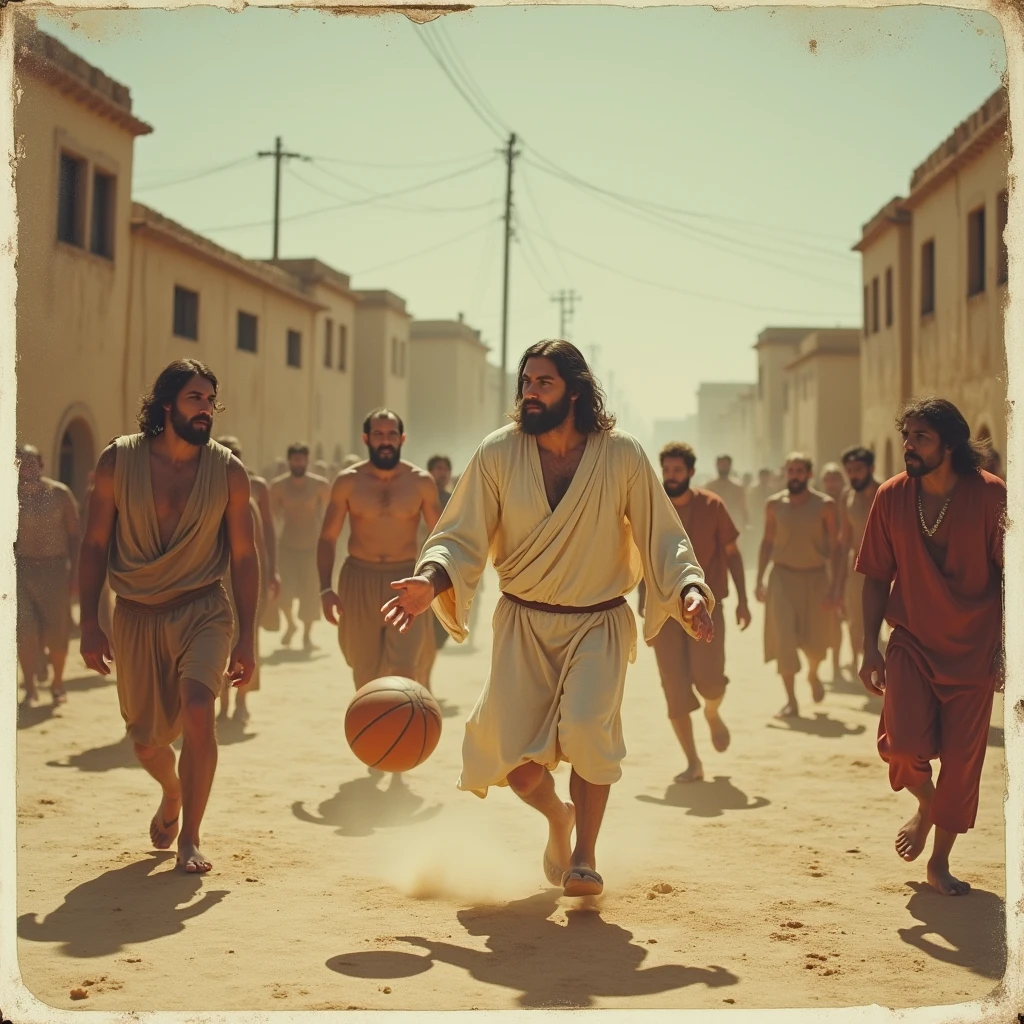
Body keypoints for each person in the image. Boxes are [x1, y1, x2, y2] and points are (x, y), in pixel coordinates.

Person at [381, 340, 714, 899]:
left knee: (587, 730)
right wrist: (431, 581)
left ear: (575, 390)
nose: (530, 393)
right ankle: (559, 820)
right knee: (517, 765)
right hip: (523, 626)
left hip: (597, 623)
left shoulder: (623, 455)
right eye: (526, 382)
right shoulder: (497, 453)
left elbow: (664, 535)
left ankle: (584, 855)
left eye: (543, 383)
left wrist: (688, 588)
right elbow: (460, 536)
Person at [79, 358, 259, 873]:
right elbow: (93, 543)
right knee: (146, 742)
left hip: (203, 606)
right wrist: (89, 621)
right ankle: (173, 792)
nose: (205, 411)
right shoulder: (119, 461)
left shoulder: (228, 471)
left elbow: (245, 557)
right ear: (165, 405)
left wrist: (247, 639)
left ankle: (192, 840)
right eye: (194, 399)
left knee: (200, 707)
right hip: (135, 614)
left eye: (209, 401)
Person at [857, 399, 1004, 896]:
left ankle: (938, 864)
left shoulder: (990, 497)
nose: (908, 446)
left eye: (920, 437)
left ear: (950, 443)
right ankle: (927, 803)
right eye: (907, 436)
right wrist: (867, 647)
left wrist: (1008, 649)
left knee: (963, 765)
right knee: (900, 746)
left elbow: (1013, 577)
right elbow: (876, 576)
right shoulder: (891, 496)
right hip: (912, 644)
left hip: (974, 652)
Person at [638, 442, 751, 783]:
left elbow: (732, 553)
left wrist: (743, 600)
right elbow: (640, 563)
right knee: (674, 689)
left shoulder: (711, 506)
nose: (671, 477)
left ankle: (713, 714)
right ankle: (693, 762)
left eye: (677, 470)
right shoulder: (653, 510)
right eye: (667, 470)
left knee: (709, 682)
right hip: (664, 613)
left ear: (689, 471)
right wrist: (644, 612)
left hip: (706, 611)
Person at [317, 410, 443, 689]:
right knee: (364, 672)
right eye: (378, 434)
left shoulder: (420, 482)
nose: (385, 441)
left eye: (391, 434)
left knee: (405, 669)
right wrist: (326, 589)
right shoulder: (348, 481)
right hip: (359, 579)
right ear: (366, 438)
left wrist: (434, 581)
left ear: (402, 438)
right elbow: (328, 538)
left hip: (405, 578)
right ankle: (369, 733)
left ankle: (403, 731)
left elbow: (442, 536)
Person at [754, 453, 843, 719]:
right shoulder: (774, 505)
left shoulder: (825, 506)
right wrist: (759, 578)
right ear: (785, 473)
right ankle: (791, 700)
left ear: (809, 474)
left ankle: (813, 674)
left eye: (800, 471)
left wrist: (835, 587)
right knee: (784, 639)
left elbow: (837, 548)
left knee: (816, 644)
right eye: (790, 471)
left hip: (816, 579)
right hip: (781, 578)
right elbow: (767, 542)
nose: (794, 475)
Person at [215, 436, 274, 724]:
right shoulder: (204, 498)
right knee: (217, 646)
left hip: (241, 582)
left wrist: (267, 579)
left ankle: (240, 701)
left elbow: (258, 550)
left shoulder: (247, 503)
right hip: (212, 583)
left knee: (244, 642)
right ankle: (222, 704)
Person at [16, 445, 80, 706]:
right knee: (25, 631)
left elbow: (76, 536)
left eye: (31, 462)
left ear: (41, 464)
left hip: (55, 570)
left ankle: (57, 683)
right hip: (20, 569)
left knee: (56, 632)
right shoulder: (8, 495)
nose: (27, 468)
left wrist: (75, 575)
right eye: (21, 463)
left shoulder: (59, 494)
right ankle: (30, 688)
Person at [270, 443, 330, 650]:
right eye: (295, 459)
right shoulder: (278, 486)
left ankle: (306, 635)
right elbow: (273, 518)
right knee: (284, 593)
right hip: (287, 546)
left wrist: (328, 543)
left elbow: (329, 515)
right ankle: (291, 625)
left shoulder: (319, 485)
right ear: (289, 461)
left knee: (310, 593)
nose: (299, 463)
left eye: (302, 459)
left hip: (312, 547)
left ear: (307, 460)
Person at [840, 446, 880, 667]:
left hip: (885, 568)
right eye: (849, 470)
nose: (853, 474)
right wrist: (837, 581)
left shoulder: (885, 492)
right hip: (855, 567)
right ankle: (858, 661)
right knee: (855, 617)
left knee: (885, 619)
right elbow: (843, 540)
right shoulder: (847, 497)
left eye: (858, 469)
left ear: (871, 468)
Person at [819, 461, 849, 677]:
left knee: (854, 616)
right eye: (828, 479)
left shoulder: (850, 500)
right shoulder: (819, 504)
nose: (832, 483)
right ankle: (835, 665)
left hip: (850, 564)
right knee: (832, 619)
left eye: (835, 479)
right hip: (828, 566)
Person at [425, 456, 455, 657]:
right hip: (418, 567)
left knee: (436, 633)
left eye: (445, 469)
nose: (441, 473)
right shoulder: (419, 498)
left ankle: (424, 678)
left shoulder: (456, 502)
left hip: (444, 570)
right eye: (438, 468)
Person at [704, 454, 749, 542]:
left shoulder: (737, 486)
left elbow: (742, 506)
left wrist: (745, 521)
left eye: (725, 465)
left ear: (729, 466)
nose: (723, 468)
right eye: (721, 465)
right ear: (717, 466)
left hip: (733, 523)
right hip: (714, 524)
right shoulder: (710, 486)